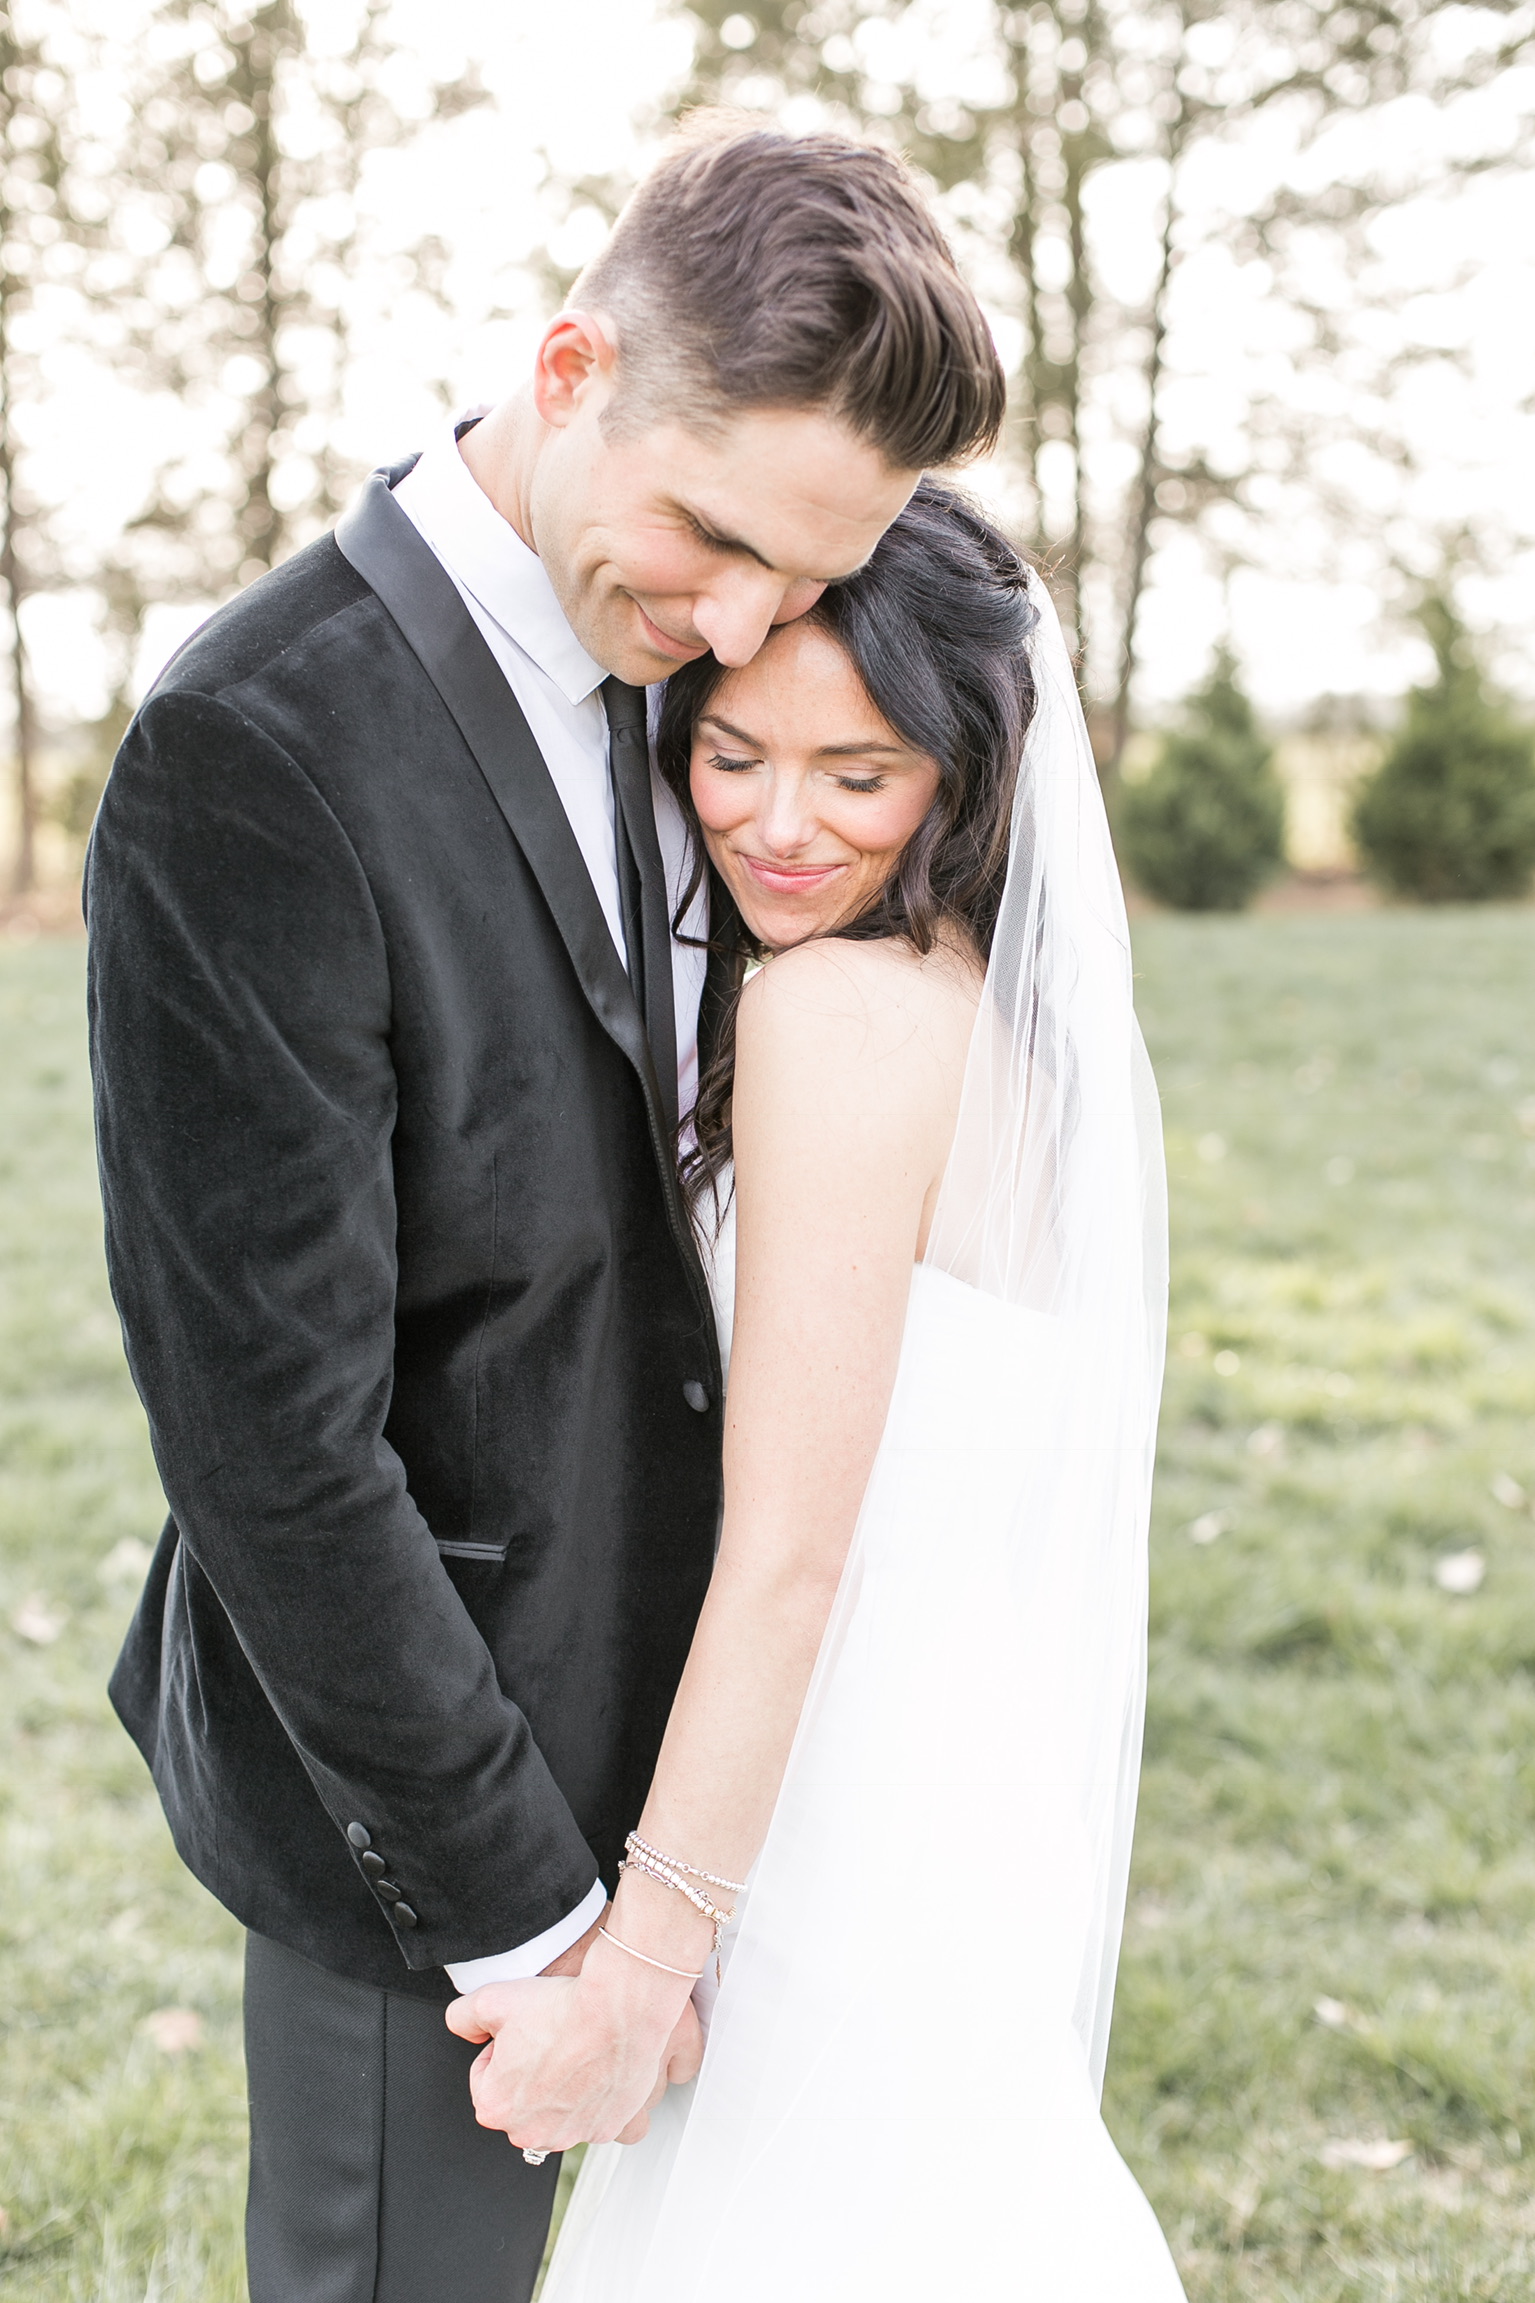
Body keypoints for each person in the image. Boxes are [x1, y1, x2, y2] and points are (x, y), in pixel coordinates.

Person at [84, 123, 1004, 2303]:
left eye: (812, 570)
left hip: (737, 1761)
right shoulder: (255, 751)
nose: (751, 625)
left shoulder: (708, 667)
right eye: (715, 545)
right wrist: (532, 1929)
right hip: (426, 1802)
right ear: (572, 364)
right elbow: (275, 1453)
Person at [447, 484, 1189, 2299]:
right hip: (961, 1780)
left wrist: (646, 1954)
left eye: (858, 776)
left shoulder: (836, 1019)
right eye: (731, 756)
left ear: (963, 770)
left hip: (827, 1815)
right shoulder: (984, 1011)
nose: (779, 827)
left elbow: (789, 1552)